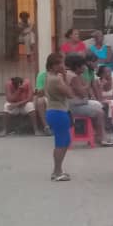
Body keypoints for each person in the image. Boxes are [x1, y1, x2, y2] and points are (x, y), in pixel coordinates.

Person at [64, 53, 113, 146]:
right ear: (77, 66)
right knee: (99, 112)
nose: (84, 67)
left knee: (99, 106)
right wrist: (86, 85)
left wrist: (84, 84)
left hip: (79, 103)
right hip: (75, 106)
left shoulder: (75, 75)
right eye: (83, 65)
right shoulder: (73, 77)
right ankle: (102, 137)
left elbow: (85, 87)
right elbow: (83, 93)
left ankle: (98, 135)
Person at [43, 52, 75, 181]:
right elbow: (70, 93)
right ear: (52, 66)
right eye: (60, 63)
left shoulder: (49, 76)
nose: (63, 66)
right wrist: (64, 77)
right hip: (58, 112)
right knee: (61, 143)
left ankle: (59, 169)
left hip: (55, 111)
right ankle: (56, 171)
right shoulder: (56, 79)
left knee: (65, 141)